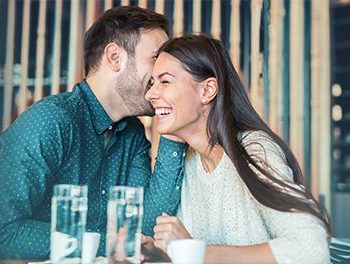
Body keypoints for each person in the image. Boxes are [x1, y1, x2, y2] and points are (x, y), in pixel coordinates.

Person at [0, 6, 187, 259]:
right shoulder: (50, 122)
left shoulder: (133, 134)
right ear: (115, 57)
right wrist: (105, 243)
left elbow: (142, 228)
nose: (164, 71)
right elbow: (4, 232)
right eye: (156, 58)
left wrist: (172, 124)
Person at [144, 34, 331, 263]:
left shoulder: (255, 150)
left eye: (164, 81)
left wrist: (197, 251)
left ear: (207, 90)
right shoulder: (191, 161)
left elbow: (311, 248)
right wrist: (163, 256)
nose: (150, 95)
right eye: (152, 83)